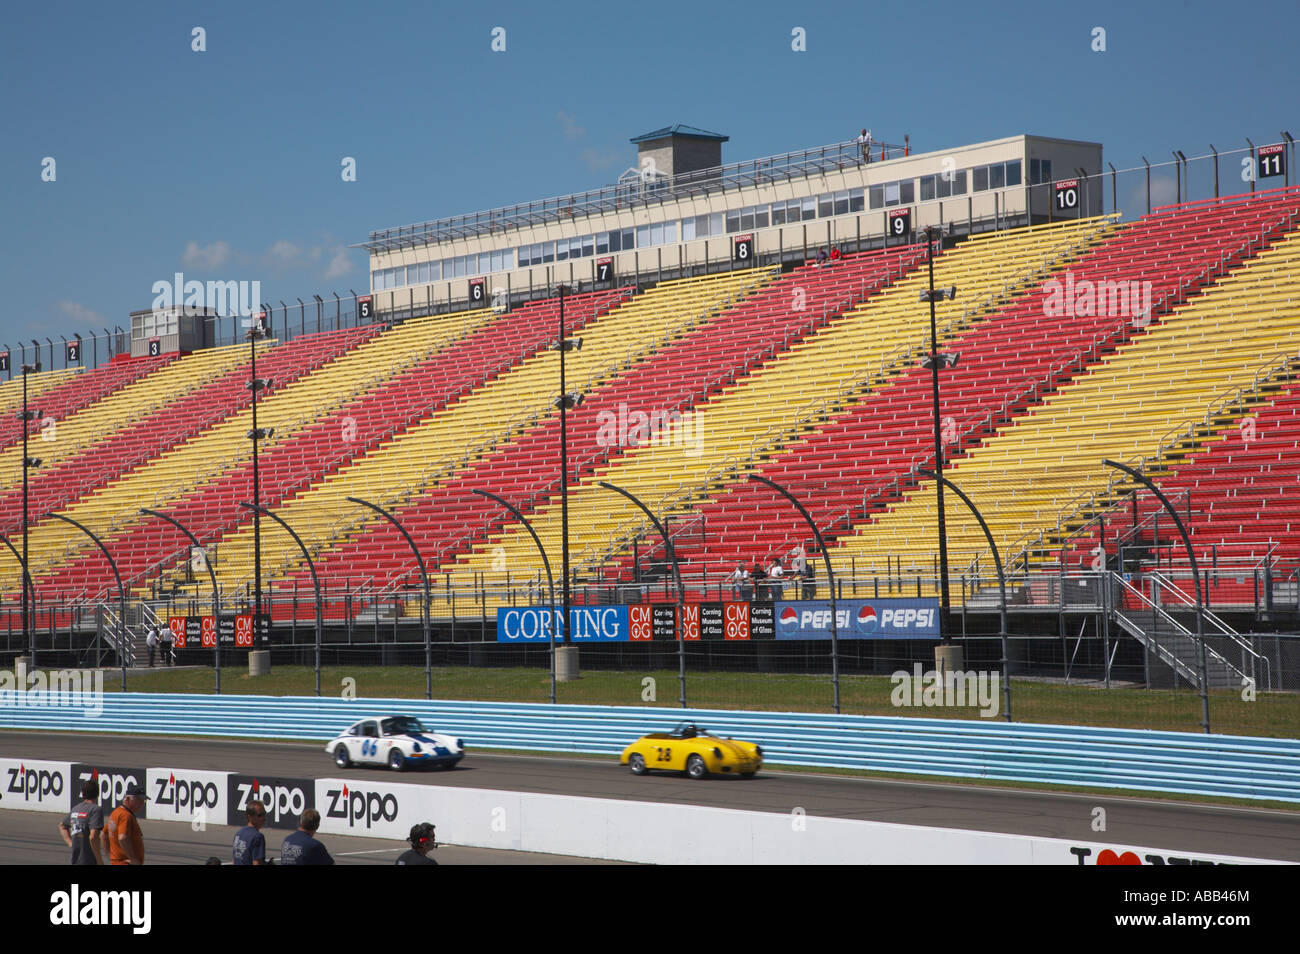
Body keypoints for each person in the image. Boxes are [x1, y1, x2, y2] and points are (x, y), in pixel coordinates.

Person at [59, 779, 104, 865]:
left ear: (82, 794)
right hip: (89, 859)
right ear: (98, 794)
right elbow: (93, 837)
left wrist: (71, 843)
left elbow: (62, 826)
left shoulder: (76, 808)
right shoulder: (95, 810)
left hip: (76, 858)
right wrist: (99, 860)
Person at [102, 782, 147, 866]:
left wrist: (110, 857)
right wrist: (133, 859)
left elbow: (103, 835)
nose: (141, 804)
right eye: (139, 800)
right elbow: (123, 838)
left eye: (143, 801)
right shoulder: (126, 816)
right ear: (128, 799)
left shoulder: (116, 812)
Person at [232, 800, 268, 866]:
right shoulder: (258, 836)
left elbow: (234, 861)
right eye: (260, 815)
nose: (263, 818)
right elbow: (256, 863)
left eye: (264, 814)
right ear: (250, 817)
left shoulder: (238, 834)